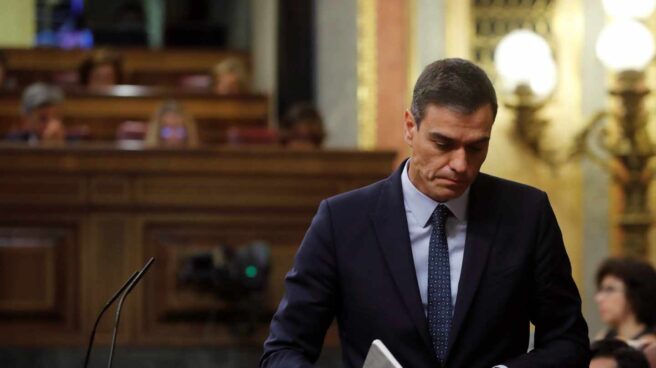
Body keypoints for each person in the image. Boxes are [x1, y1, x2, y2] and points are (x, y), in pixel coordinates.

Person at [261, 58, 589, 368]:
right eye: (443, 144)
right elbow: (284, 349)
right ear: (409, 127)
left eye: (476, 147)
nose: (460, 165)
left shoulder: (527, 215)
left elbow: (568, 341)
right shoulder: (342, 221)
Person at [594, 258, 656, 346]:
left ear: (635, 294)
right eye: (600, 290)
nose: (598, 298)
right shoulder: (603, 337)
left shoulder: (650, 345)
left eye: (610, 289)